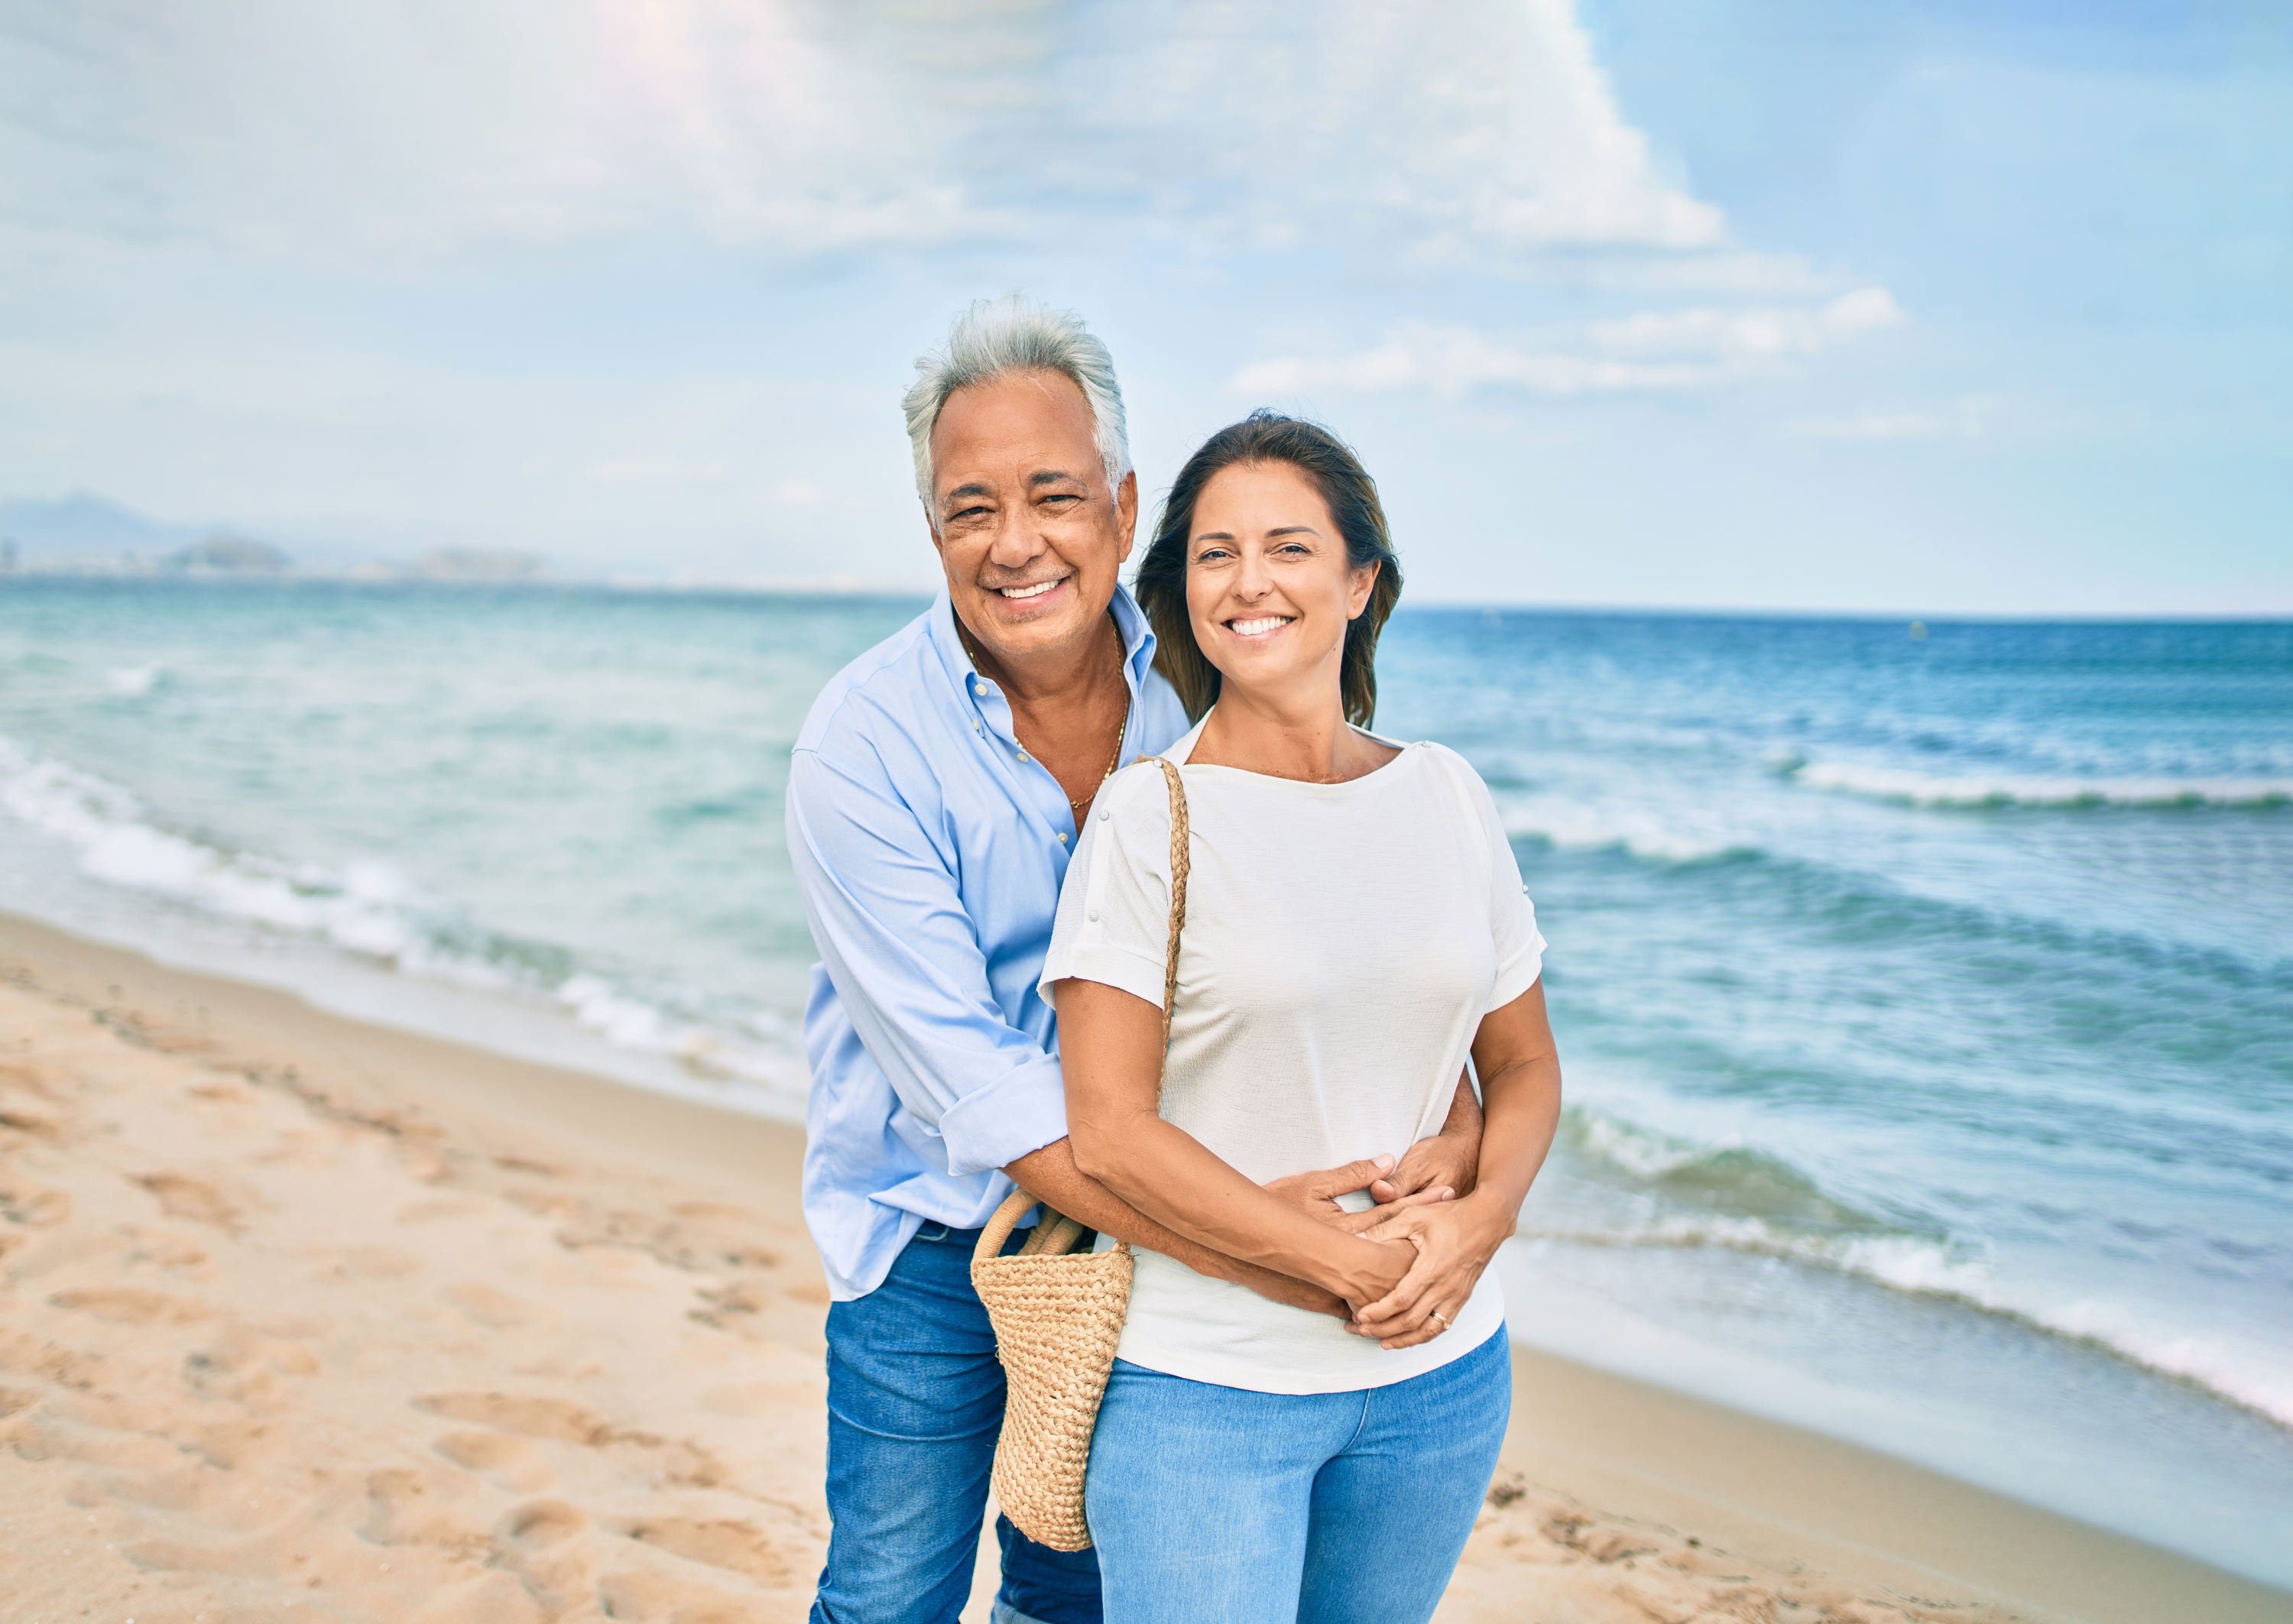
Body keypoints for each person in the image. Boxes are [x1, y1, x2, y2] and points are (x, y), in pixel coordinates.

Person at [786, 302, 1484, 1624]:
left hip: (1162, 1225)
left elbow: (1347, 926)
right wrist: (1279, 1253)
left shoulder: (1208, 697)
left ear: (1120, 500)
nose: (1016, 543)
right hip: (928, 1231)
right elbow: (974, 1085)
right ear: (933, 532)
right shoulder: (861, 744)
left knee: (1070, 1593)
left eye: (1053, 494)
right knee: (886, 1596)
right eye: (969, 509)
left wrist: (1451, 1120)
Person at [1042, 410, 1565, 1622]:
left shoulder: (1445, 791)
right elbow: (1110, 1130)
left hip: (1439, 1377)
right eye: (1214, 552)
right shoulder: (1148, 817)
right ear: (1181, 589)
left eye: (1287, 546)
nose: (1248, 581)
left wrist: (1483, 1220)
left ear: (1359, 579)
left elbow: (1526, 1065)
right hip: (1207, 1389)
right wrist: (1348, 1267)